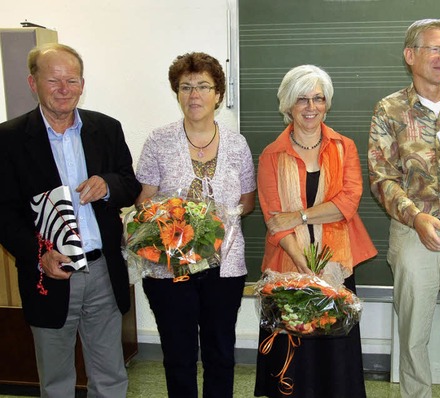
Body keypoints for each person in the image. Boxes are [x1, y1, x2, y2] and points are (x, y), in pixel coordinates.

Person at [0, 43, 140, 397]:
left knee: (110, 375)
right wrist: (38, 254)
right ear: (33, 83)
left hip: (103, 272)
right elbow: (4, 213)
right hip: (50, 273)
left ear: (82, 84)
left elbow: (130, 184)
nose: (64, 89)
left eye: (72, 80)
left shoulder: (107, 129)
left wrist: (108, 185)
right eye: (54, 80)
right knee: (57, 380)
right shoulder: (8, 139)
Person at [368, 18, 440, 398]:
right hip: (411, 233)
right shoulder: (388, 110)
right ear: (410, 55)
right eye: (435, 48)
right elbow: (381, 177)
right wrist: (415, 217)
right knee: (413, 336)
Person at [134, 52, 256, 398]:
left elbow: (248, 202)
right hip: (169, 268)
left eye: (203, 86)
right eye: (186, 87)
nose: (194, 95)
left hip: (226, 266)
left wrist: (216, 220)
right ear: (177, 93)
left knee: (221, 354)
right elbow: (144, 199)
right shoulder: (159, 140)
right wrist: (176, 217)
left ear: (218, 93)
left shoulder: (237, 144)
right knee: (178, 355)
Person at [254, 64, 377, 398]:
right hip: (288, 268)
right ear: (288, 105)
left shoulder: (344, 147)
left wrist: (300, 216)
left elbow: (347, 202)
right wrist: (303, 266)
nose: (311, 107)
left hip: (336, 265)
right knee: (293, 362)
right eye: (302, 100)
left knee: (334, 363)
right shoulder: (271, 155)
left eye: (318, 99)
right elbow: (273, 220)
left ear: (327, 103)